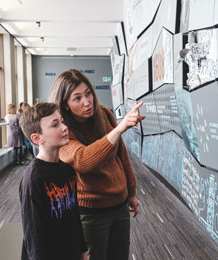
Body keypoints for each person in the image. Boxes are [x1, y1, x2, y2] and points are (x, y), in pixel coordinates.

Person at [48, 69, 145, 260]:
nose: (87, 102)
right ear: (65, 105)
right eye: (77, 98)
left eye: (88, 93)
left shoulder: (105, 114)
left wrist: (131, 193)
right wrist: (119, 130)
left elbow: (121, 156)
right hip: (91, 215)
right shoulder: (63, 130)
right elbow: (83, 160)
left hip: (120, 206)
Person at [18, 102, 88, 260]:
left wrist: (82, 251)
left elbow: (74, 216)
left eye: (62, 121)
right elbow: (33, 234)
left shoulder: (68, 170)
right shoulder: (33, 179)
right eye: (55, 124)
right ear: (37, 138)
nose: (64, 127)